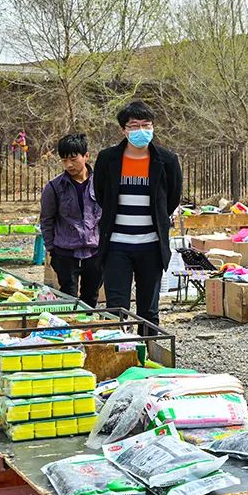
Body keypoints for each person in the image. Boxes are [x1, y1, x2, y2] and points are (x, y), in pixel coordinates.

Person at [94, 101, 182, 332]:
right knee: (116, 307)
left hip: (151, 246)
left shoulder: (167, 161)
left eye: (146, 125)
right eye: (134, 126)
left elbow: (171, 199)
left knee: (149, 310)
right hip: (116, 246)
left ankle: (148, 356)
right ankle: (118, 353)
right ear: (123, 129)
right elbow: (103, 195)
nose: (141, 130)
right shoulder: (108, 159)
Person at [39, 133, 103, 306]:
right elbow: (46, 220)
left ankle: (87, 331)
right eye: (64, 160)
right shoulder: (54, 187)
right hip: (65, 253)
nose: (69, 164)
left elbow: (107, 216)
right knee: (68, 298)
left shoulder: (100, 183)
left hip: (95, 252)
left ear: (86, 156)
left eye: (73, 159)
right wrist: (52, 249)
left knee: (91, 297)